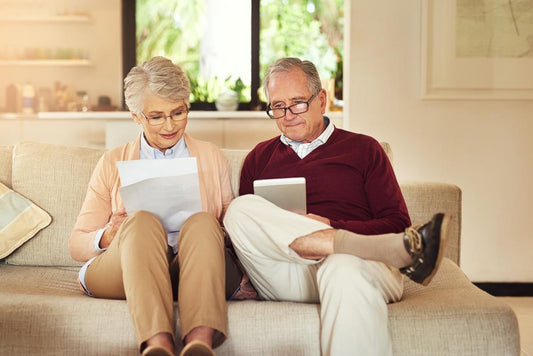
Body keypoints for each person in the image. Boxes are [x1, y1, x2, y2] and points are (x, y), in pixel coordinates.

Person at [223, 57, 451, 356]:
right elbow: (251, 236)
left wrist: (333, 226)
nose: (287, 114)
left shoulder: (364, 149)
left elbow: (396, 223)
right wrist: (326, 233)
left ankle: (337, 244)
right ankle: (378, 248)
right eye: (277, 106)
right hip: (288, 273)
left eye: (298, 103)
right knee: (239, 210)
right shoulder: (259, 158)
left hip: (361, 263)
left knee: (343, 266)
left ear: (321, 100)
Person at [69, 56, 245, 356]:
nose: (170, 125)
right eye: (156, 116)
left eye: (178, 112)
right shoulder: (112, 162)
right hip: (132, 267)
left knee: (203, 222)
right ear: (136, 116)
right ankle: (158, 345)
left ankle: (198, 342)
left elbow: (233, 224)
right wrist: (109, 235)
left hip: (195, 267)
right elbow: (76, 245)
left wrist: (224, 235)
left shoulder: (211, 156)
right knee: (141, 222)